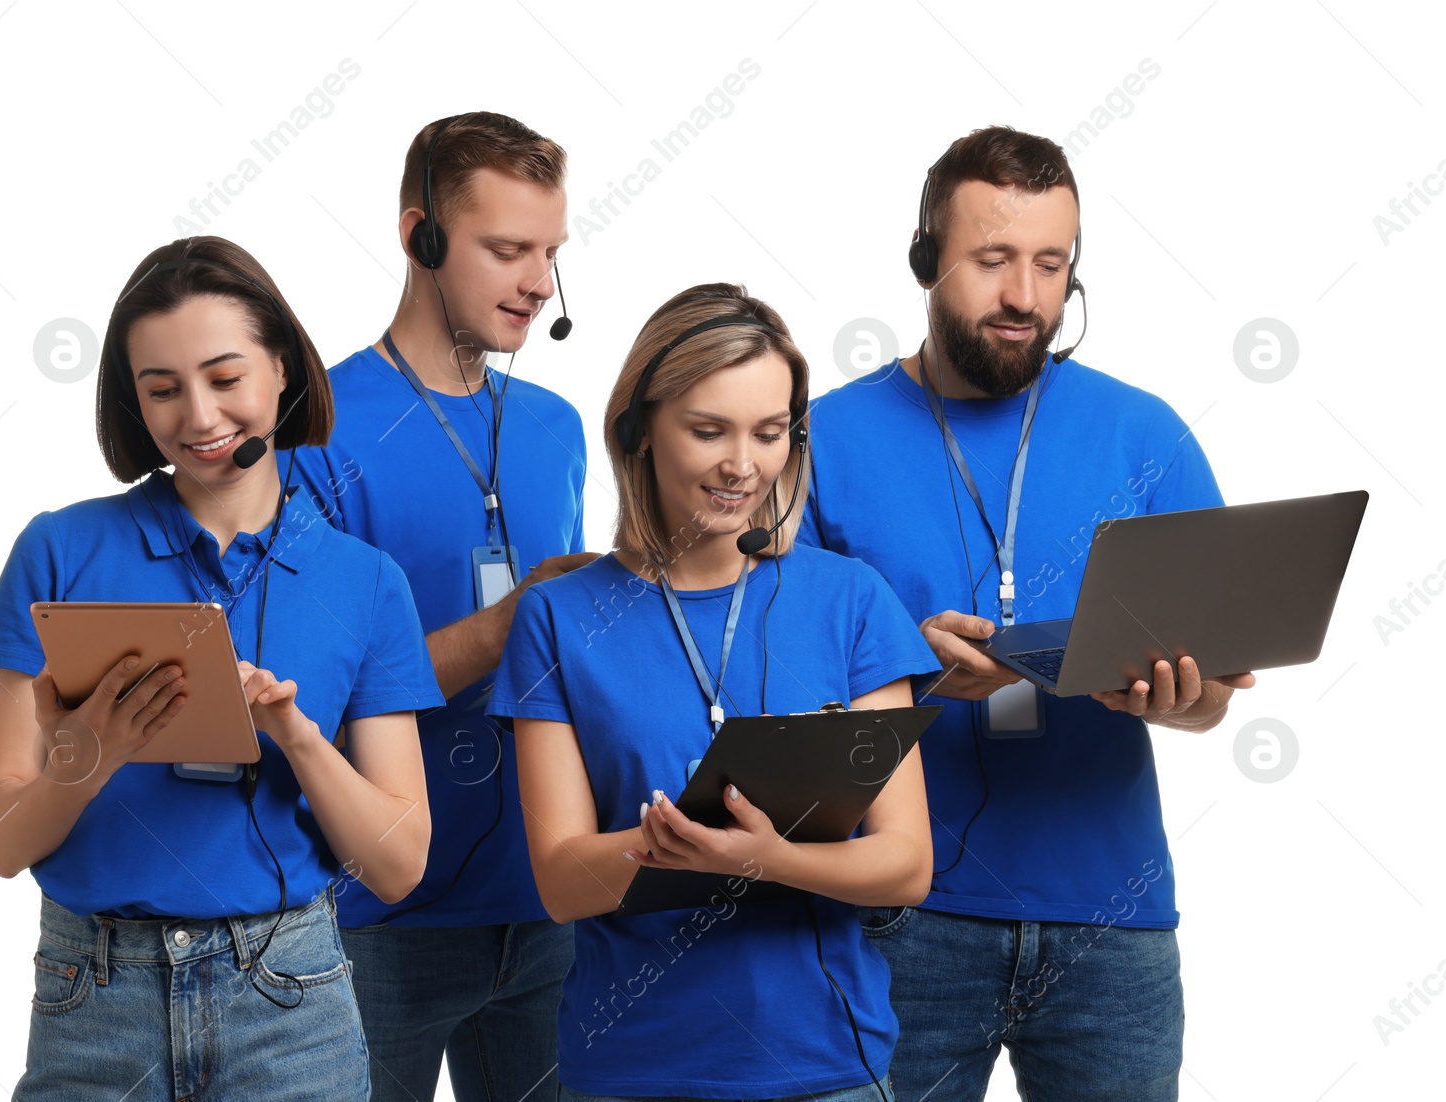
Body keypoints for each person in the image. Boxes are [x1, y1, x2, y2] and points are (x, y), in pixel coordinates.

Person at [800, 126, 1256, 1100]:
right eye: (993, 260)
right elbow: (763, 679)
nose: (1024, 296)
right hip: (897, 918)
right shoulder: (817, 437)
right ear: (925, 261)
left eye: (1051, 265)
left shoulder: (1145, 432)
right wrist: (898, 664)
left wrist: (1177, 698)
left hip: (1111, 925)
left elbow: (1212, 694)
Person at [0, 236, 441, 1101]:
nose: (199, 417)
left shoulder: (368, 583)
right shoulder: (58, 551)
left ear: (283, 370)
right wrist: (91, 755)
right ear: (133, 402)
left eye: (226, 380)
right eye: (162, 389)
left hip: (289, 1000)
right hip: (94, 997)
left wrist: (299, 739)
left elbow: (401, 864)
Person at [490, 283, 935, 1102]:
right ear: (639, 430)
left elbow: (906, 863)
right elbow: (559, 882)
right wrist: (685, 850)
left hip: (827, 1069)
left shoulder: (852, 599)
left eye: (769, 433)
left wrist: (765, 859)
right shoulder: (557, 618)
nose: (743, 465)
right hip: (631, 1072)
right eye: (708, 431)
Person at [287, 111, 594, 1102]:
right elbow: (307, 698)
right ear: (419, 234)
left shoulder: (555, 428)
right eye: (507, 249)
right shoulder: (318, 431)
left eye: (548, 251)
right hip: (379, 918)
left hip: (547, 904)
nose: (538, 280)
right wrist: (503, 631)